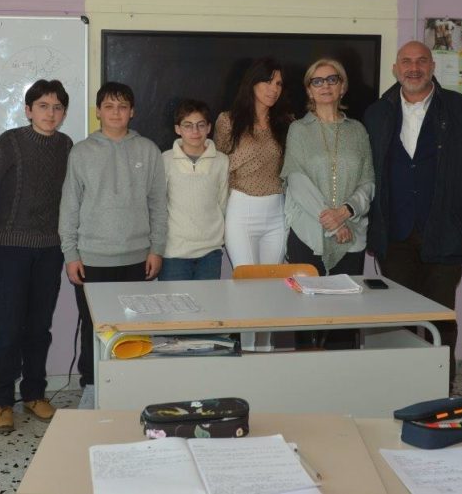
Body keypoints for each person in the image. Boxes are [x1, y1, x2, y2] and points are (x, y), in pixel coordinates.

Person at [363, 41, 462, 382]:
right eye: (406, 61)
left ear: (432, 67)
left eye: (421, 61)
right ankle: (402, 387)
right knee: (398, 320)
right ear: (395, 69)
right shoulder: (376, 114)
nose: (414, 68)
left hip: (446, 232)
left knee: (440, 319)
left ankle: (441, 388)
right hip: (394, 237)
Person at [59, 82, 167, 387]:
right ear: (98, 112)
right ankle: (92, 387)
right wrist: (71, 254)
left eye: (122, 106)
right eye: (108, 106)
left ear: (132, 112)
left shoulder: (148, 150)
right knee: (95, 328)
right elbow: (69, 206)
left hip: (137, 258)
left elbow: (158, 204)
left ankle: (131, 388)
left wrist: (157, 248)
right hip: (92, 259)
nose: (116, 112)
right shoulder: (81, 152)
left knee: (134, 329)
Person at [0, 79, 73, 432]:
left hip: (50, 248)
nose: (50, 113)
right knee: (8, 327)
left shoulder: (67, 146)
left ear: (64, 113)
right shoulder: (10, 142)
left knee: (39, 327)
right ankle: (2, 400)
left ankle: (34, 393)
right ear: (28, 110)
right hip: (9, 247)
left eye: (57, 108)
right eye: (42, 106)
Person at [282, 59, 374, 348]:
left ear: (342, 87)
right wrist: (333, 224)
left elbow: (368, 181)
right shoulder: (298, 130)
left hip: (351, 234)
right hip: (308, 234)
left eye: (332, 79)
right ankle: (308, 373)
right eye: (317, 81)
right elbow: (296, 180)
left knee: (345, 319)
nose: (325, 86)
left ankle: (341, 375)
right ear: (309, 90)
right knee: (305, 317)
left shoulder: (358, 131)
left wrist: (346, 212)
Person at [214, 57, 291, 268]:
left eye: (279, 84)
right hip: (241, 211)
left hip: (277, 212)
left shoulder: (286, 123)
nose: (274, 89)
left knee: (271, 281)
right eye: (268, 81)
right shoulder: (228, 121)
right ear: (253, 82)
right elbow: (217, 168)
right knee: (247, 281)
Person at [160, 99, 229, 281]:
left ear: (209, 128)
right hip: (174, 253)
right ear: (178, 129)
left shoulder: (221, 161)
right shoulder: (165, 160)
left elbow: (223, 203)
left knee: (208, 300)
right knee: (174, 300)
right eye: (188, 125)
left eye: (200, 125)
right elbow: (159, 206)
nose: (195, 131)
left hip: (210, 252)